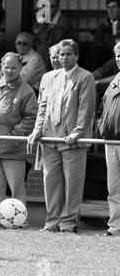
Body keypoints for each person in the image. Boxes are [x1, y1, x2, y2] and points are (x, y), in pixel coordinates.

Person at [27, 39, 96, 234]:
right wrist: (37, 129)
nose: (63, 58)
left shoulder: (85, 77)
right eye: (61, 54)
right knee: (51, 184)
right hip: (50, 139)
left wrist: (78, 131)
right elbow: (42, 106)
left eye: (68, 54)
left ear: (76, 56)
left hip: (72, 140)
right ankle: (51, 223)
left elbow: (86, 107)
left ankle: (68, 224)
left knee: (72, 184)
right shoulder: (48, 77)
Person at [0, 52, 38, 230]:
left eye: (13, 67)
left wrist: (11, 136)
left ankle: (19, 222)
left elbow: (31, 118)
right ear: (1, 67)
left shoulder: (27, 90)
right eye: (7, 67)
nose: (10, 71)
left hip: (13, 149)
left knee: (16, 188)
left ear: (20, 68)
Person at [98, 41, 120, 237]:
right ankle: (115, 227)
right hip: (111, 142)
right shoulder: (114, 81)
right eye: (118, 56)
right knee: (113, 188)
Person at [32, 0, 74, 70]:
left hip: (60, 50)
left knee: (43, 48)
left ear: (58, 7)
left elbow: (50, 41)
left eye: (52, 6)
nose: (48, 9)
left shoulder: (63, 22)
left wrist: (43, 26)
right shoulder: (42, 18)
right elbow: (34, 37)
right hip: (42, 50)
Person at [84, 0, 120, 71]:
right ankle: (87, 74)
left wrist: (109, 39)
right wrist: (110, 42)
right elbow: (97, 41)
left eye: (113, 7)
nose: (111, 10)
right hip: (106, 50)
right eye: (108, 8)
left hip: (118, 51)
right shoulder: (104, 23)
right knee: (89, 48)